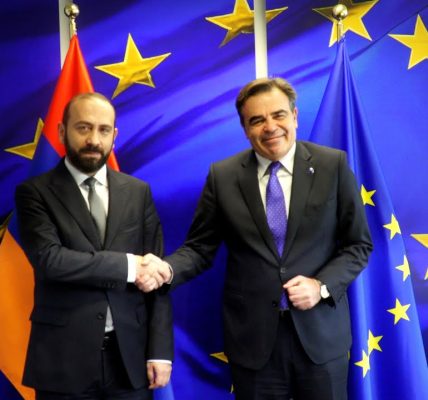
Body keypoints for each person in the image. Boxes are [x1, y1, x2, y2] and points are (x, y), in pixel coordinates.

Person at [141, 77, 373, 400]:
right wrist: (167, 269)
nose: (270, 127)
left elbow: (358, 245)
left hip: (321, 339)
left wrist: (320, 286)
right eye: (257, 120)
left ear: (295, 116)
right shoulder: (223, 176)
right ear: (245, 129)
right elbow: (199, 248)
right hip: (253, 344)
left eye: (278, 115)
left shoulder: (331, 166)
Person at [15, 92, 173, 400]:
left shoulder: (138, 192)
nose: (93, 140)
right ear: (62, 131)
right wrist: (129, 266)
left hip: (130, 361)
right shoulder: (34, 193)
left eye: (103, 130)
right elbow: (50, 260)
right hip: (62, 361)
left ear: (114, 135)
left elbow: (156, 277)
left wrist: (160, 351)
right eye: (83, 128)